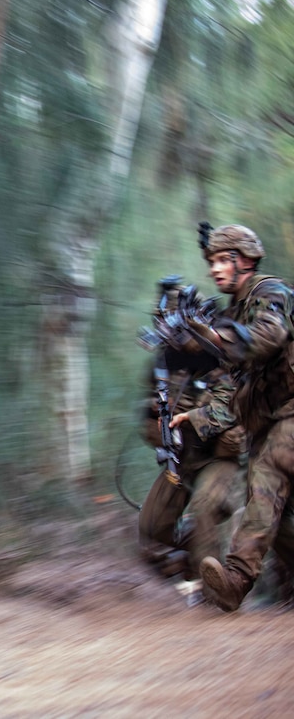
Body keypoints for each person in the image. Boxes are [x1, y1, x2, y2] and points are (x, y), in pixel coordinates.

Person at [169, 224, 294, 611]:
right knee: (278, 518)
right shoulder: (233, 310)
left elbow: (267, 336)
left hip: (289, 414)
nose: (215, 269)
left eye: (224, 260)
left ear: (247, 261)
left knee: (267, 480)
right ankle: (250, 583)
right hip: (266, 422)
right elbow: (223, 374)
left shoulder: (271, 293)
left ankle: (236, 580)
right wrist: (184, 334)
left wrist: (216, 334)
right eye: (211, 262)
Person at [137, 352, 246, 583]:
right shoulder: (164, 365)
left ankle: (214, 588)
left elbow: (232, 409)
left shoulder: (222, 360)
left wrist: (190, 416)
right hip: (182, 458)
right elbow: (149, 407)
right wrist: (157, 419)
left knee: (204, 506)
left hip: (219, 459)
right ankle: (191, 554)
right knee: (152, 527)